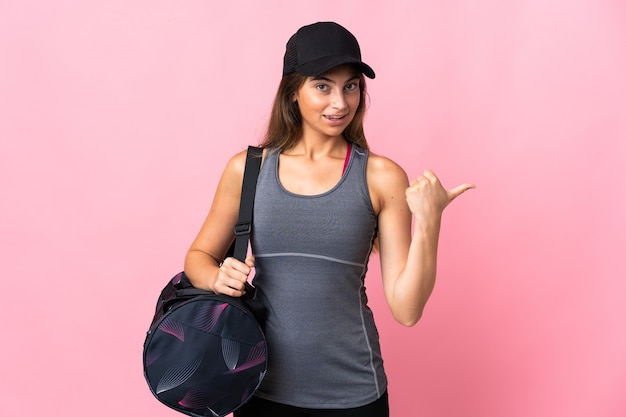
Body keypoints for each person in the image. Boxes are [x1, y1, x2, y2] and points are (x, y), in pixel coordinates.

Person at [184, 21, 475, 417]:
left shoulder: (381, 177)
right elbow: (198, 256)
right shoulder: (247, 170)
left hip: (353, 396)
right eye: (323, 86)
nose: (340, 102)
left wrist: (430, 221)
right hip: (256, 388)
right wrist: (215, 276)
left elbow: (407, 310)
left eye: (350, 86)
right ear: (293, 92)